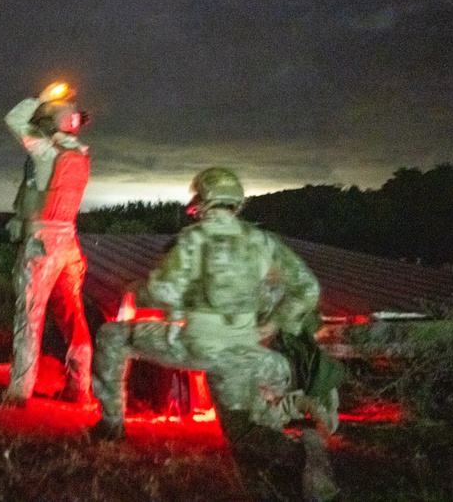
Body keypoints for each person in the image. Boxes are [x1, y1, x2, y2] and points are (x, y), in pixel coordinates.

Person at [90, 167, 340, 500]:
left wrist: (147, 292)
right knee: (242, 428)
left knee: (113, 336)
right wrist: (275, 323)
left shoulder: (195, 238)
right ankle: (300, 448)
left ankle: (111, 426)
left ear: (202, 201)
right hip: (250, 352)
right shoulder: (261, 241)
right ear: (236, 201)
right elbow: (307, 288)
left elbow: (163, 290)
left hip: (197, 345)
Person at [1, 81, 93, 406]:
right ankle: (79, 387)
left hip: (43, 241)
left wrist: (41, 97)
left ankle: (19, 391)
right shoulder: (80, 155)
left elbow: (13, 120)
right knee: (72, 314)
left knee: (29, 312)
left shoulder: (45, 151)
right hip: (69, 239)